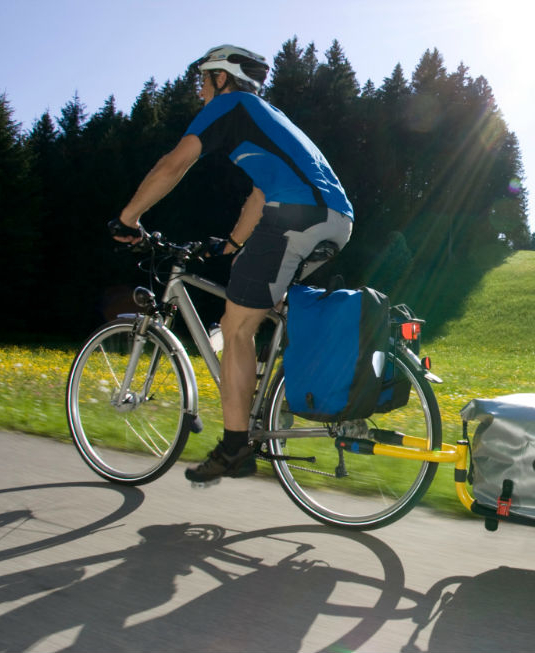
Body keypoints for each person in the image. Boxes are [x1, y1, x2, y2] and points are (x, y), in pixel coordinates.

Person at [109, 44, 354, 483]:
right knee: (259, 310)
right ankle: (273, 398)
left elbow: (174, 164)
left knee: (235, 324)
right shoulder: (266, 118)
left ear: (221, 79)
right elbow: (261, 193)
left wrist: (129, 219)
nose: (199, 91)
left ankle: (236, 445)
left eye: (202, 81)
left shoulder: (230, 105)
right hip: (335, 219)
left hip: (296, 215)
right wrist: (232, 245)